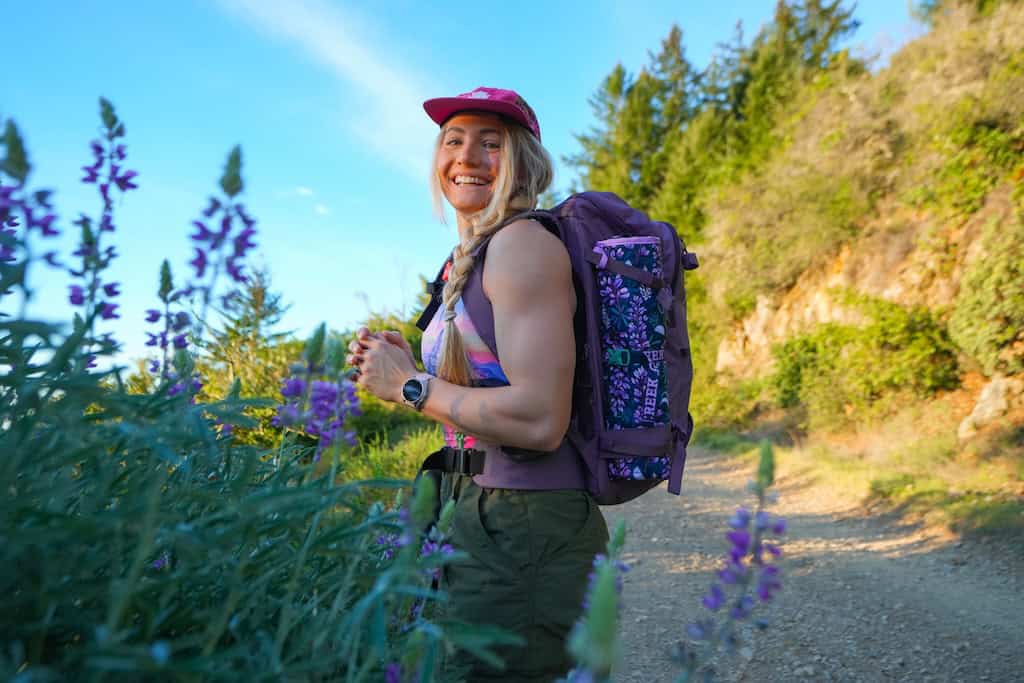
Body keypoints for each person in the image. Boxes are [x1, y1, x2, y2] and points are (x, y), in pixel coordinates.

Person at [346, 87, 609, 682]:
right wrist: (411, 364)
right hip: (475, 510)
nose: (468, 157)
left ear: (525, 164)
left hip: (526, 523)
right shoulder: (471, 258)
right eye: (453, 140)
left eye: (492, 144)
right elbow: (488, 387)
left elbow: (541, 420)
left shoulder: (521, 246)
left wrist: (412, 387)